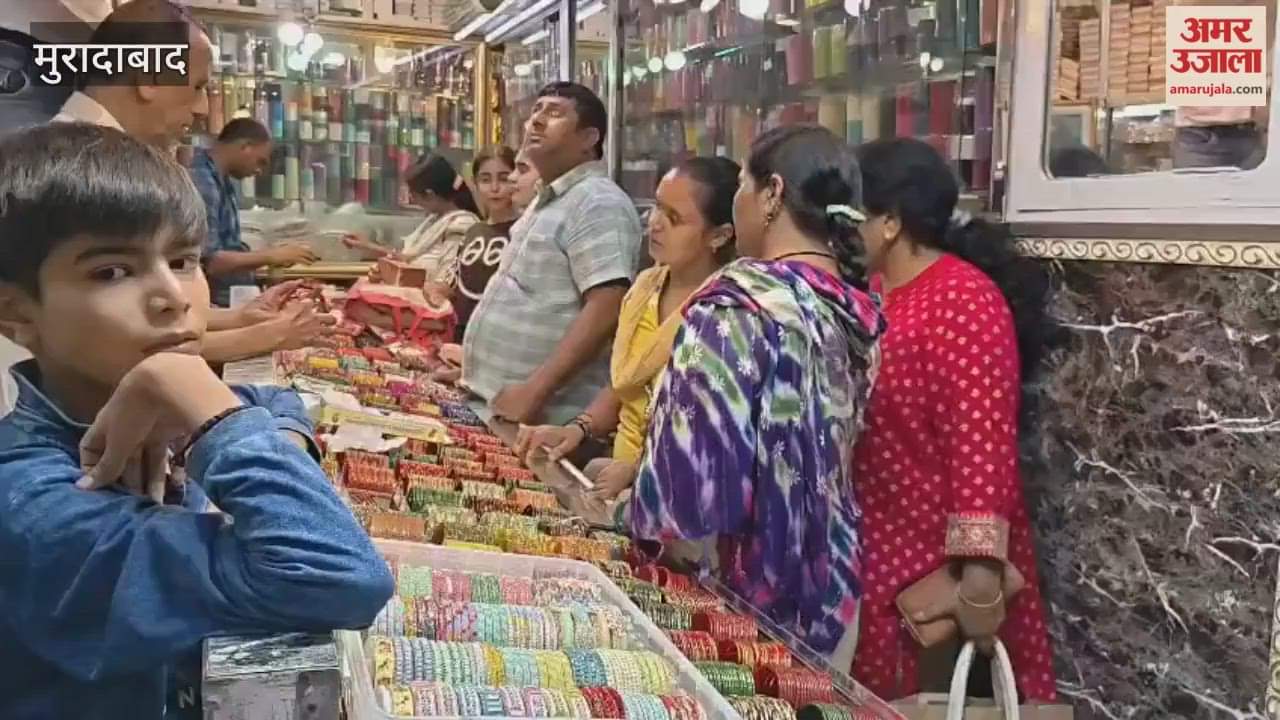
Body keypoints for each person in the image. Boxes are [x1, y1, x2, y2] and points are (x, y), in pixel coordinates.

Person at [0, 122, 394, 719]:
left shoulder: (131, 409)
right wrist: (200, 401)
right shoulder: (37, 507)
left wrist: (265, 431)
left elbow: (277, 402)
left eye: (182, 260)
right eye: (112, 271)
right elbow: (339, 577)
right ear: (15, 311)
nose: (174, 297)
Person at [624, 125, 885, 666]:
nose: (738, 197)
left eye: (744, 182)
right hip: (828, 594)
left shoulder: (738, 309)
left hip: (728, 610)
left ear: (772, 194)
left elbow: (686, 497)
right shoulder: (852, 313)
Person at [850, 137, 1057, 701]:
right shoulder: (875, 292)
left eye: (850, 215)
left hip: (937, 565)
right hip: (875, 545)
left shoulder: (963, 301)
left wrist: (981, 578)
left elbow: (982, 442)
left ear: (890, 222)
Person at [515, 157, 740, 512]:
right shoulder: (645, 288)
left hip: (670, 501)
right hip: (616, 490)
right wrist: (578, 429)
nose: (655, 224)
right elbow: (627, 384)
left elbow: (713, 440)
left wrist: (639, 471)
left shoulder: (724, 318)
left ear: (720, 235)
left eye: (674, 218)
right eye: (656, 208)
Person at [463, 82, 643, 425]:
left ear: (589, 138)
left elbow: (607, 304)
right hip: (497, 404)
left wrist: (535, 390)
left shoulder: (597, 201)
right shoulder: (549, 199)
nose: (538, 121)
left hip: (542, 419)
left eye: (555, 113)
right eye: (536, 110)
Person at [190, 118, 318, 307]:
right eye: (260, 161)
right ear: (246, 146)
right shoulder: (203, 183)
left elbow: (226, 248)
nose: (259, 170)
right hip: (213, 305)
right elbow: (209, 262)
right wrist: (271, 255)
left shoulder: (222, 180)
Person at [345, 153, 480, 287]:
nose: (412, 200)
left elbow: (445, 283)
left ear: (429, 195)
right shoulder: (434, 219)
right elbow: (407, 259)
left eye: (413, 195)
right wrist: (367, 247)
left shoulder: (461, 225)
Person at [453, 146, 520, 335]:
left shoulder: (524, 231)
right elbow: (457, 284)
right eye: (485, 180)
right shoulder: (473, 231)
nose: (494, 188)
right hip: (461, 331)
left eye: (503, 178)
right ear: (475, 183)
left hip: (501, 333)